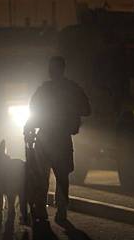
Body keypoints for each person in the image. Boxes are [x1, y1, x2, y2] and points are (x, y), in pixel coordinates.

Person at [24, 56, 91, 224]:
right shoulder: (72, 89)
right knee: (62, 176)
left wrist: (28, 130)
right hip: (61, 138)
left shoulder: (43, 90)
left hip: (45, 138)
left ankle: (41, 209)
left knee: (41, 176)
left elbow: (33, 112)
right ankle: (61, 211)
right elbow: (86, 110)